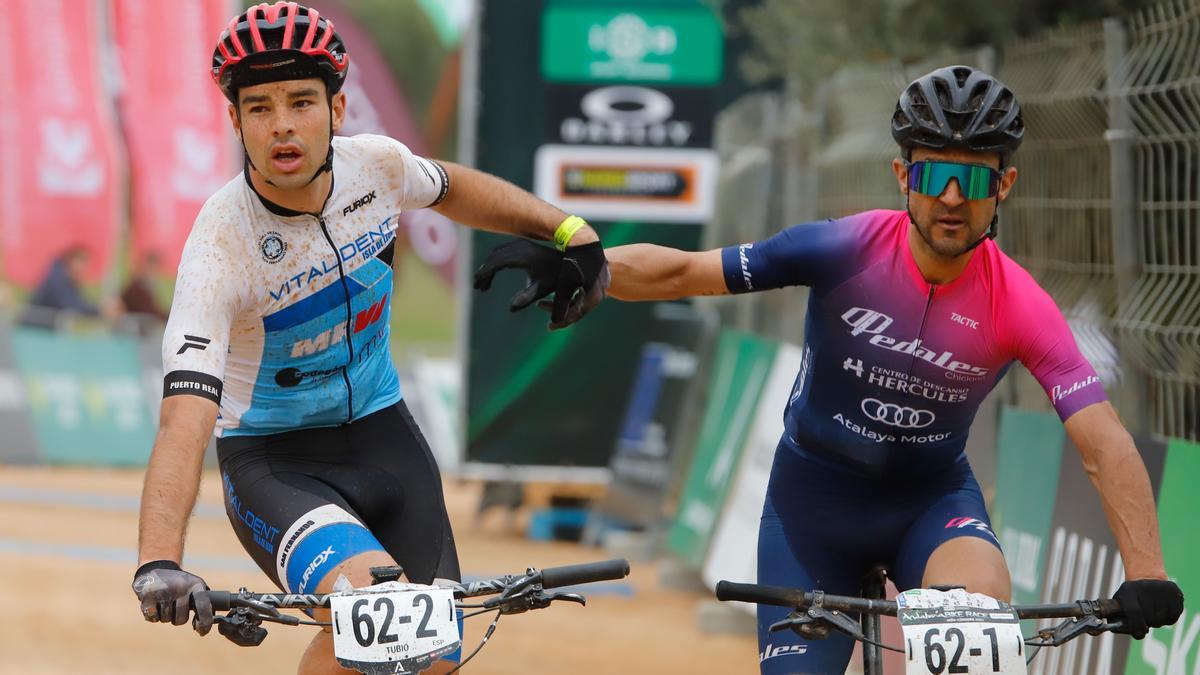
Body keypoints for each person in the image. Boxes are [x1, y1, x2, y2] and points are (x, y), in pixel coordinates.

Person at [475, 65, 1184, 673]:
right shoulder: (845, 248)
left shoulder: (1021, 304)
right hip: (811, 500)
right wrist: (589, 267)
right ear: (904, 174)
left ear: (1004, 187)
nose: (951, 199)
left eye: (973, 180)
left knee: (979, 633)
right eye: (934, 174)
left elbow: (1103, 441)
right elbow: (687, 272)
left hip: (930, 504)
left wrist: (1147, 572)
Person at [130, 4, 608, 674]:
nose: (283, 125)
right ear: (235, 121)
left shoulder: (377, 168)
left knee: (434, 655)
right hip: (276, 462)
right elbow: (185, 414)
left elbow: (451, 188)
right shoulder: (219, 248)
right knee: (378, 615)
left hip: (385, 436)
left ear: (339, 107)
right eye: (260, 108)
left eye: (301, 101)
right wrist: (158, 560)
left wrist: (566, 230)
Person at [19, 245, 120, 329]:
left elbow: (80, 302)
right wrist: (100, 311)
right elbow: (72, 305)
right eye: (81, 262)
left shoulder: (64, 278)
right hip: (33, 331)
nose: (84, 269)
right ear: (71, 261)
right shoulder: (57, 280)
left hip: (40, 331)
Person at [120, 252, 170, 326]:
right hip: (137, 324)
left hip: (143, 322)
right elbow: (148, 309)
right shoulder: (138, 287)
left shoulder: (144, 285)